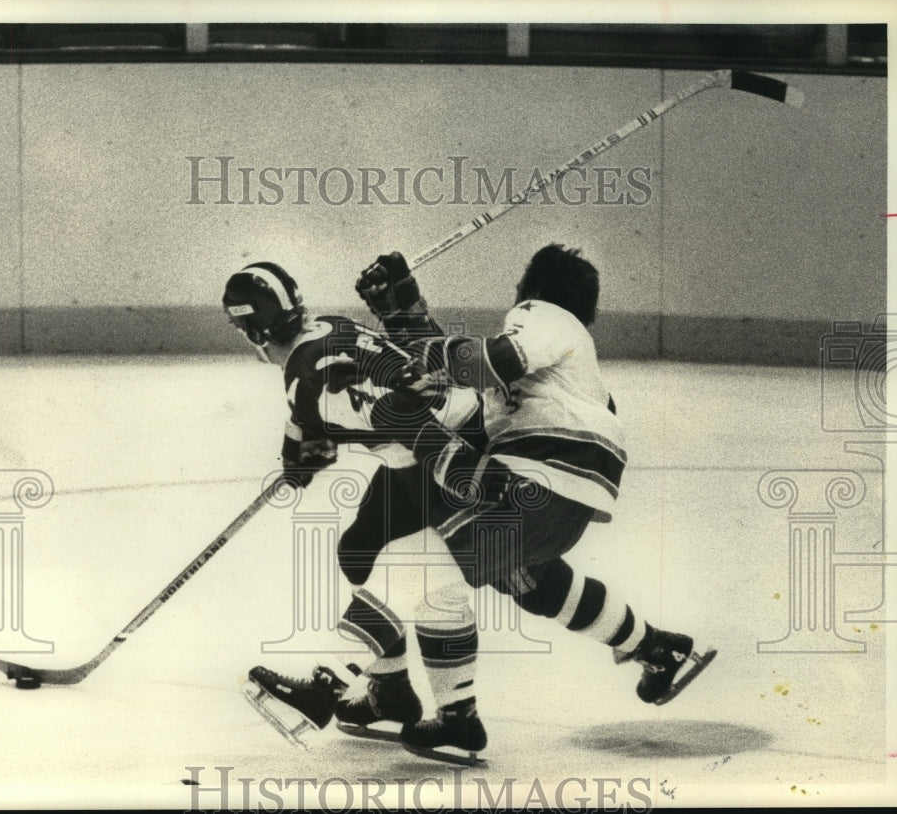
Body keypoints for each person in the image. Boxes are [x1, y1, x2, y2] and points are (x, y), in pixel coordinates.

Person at [372, 243, 717, 751]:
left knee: (418, 567)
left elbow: (492, 359)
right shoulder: (565, 369)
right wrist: (404, 311)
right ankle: (658, 648)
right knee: (532, 583)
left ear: (530, 290)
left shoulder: (544, 315)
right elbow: (460, 377)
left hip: (540, 479)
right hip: (561, 499)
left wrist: (407, 326)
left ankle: (441, 710)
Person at [223, 257, 489, 764]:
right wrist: (300, 440)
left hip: (446, 452)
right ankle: (395, 695)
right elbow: (334, 398)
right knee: (361, 551)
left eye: (242, 328)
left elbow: (360, 413)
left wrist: (303, 455)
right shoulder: (327, 328)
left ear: (255, 329)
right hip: (437, 439)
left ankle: (352, 690)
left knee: (411, 573)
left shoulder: (305, 377)